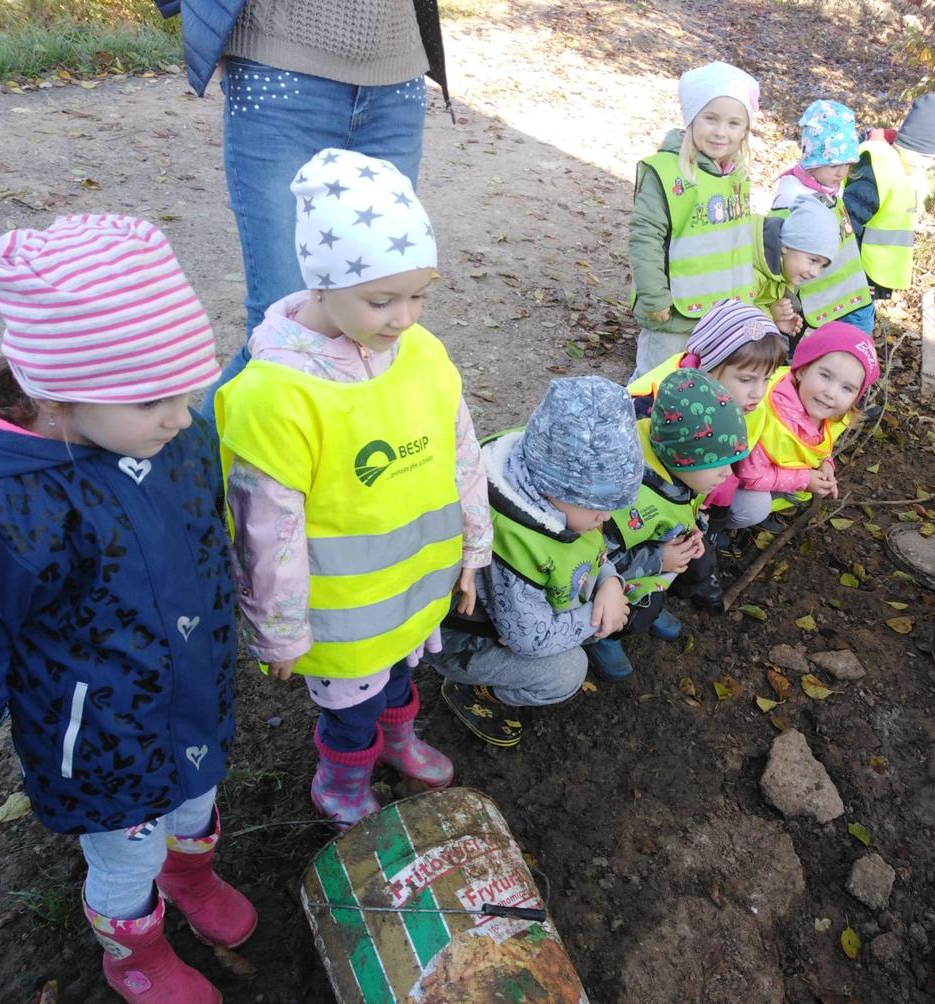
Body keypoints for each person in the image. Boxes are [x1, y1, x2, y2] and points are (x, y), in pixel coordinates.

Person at [0, 215, 252, 1003]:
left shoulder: (176, 435)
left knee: (198, 795)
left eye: (188, 388)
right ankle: (133, 948)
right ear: (56, 397)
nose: (180, 413)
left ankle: (190, 871)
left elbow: (205, 532)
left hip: (194, 683)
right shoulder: (7, 501)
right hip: (102, 731)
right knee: (127, 849)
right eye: (153, 399)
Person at [215, 149, 490, 828]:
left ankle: (398, 740)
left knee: (401, 677)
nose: (405, 317)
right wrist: (276, 630)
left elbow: (462, 452)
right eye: (381, 299)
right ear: (320, 282)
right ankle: (341, 780)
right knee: (351, 707)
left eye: (419, 293)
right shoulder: (276, 394)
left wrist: (472, 551)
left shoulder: (422, 353)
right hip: (341, 615)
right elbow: (264, 525)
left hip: (413, 589)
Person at [153, 0, 454, 417]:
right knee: (286, 319)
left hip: (397, 75)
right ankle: (196, 471)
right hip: (278, 68)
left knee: (377, 308)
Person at [429, 377, 644, 746]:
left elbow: (589, 552)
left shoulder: (551, 493)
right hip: (467, 642)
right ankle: (474, 690)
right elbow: (529, 639)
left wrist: (609, 581)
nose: (606, 518)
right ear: (555, 491)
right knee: (567, 672)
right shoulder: (512, 543)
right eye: (599, 509)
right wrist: (596, 621)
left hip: (520, 614)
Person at [597, 371, 751, 658]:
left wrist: (696, 522)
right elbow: (596, 562)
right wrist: (659, 558)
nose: (727, 473)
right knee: (643, 610)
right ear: (679, 456)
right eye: (717, 464)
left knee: (702, 557)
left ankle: (652, 602)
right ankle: (605, 635)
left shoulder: (681, 465)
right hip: (615, 576)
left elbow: (684, 502)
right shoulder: (625, 497)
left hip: (657, 543)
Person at [629, 60, 760, 378]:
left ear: (744, 130)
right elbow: (645, 236)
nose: (720, 132)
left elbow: (738, 241)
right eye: (710, 118)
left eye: (733, 123)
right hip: (673, 313)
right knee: (655, 381)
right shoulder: (666, 171)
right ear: (691, 118)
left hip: (721, 313)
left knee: (703, 382)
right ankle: (632, 425)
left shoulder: (736, 175)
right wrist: (654, 295)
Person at [627, 299, 786, 541]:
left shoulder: (747, 401)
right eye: (746, 380)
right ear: (710, 368)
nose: (759, 392)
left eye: (767, 378)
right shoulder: (659, 405)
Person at [732, 322, 880, 527]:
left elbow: (817, 446)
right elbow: (747, 475)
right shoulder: (768, 409)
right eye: (825, 376)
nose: (831, 393)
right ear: (802, 370)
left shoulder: (833, 414)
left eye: (847, 388)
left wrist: (826, 463)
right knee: (752, 506)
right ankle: (719, 525)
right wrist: (804, 480)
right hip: (730, 480)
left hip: (774, 473)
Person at [842, 94, 935, 321]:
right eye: (928, 158)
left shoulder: (905, 169)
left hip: (871, 277)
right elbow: (848, 222)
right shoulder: (878, 164)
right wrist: (849, 277)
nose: (929, 166)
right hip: (855, 278)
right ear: (914, 143)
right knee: (854, 334)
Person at [772, 100, 875, 335]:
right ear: (812, 161)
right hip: (819, 305)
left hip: (852, 294)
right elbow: (779, 255)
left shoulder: (830, 187)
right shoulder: (792, 195)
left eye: (846, 164)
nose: (840, 172)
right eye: (832, 165)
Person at [752, 196, 841, 344]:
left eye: (822, 266)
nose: (815, 273)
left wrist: (778, 321)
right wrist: (771, 315)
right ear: (786, 246)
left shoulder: (784, 272)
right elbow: (735, 316)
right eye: (813, 260)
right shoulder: (754, 272)